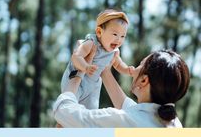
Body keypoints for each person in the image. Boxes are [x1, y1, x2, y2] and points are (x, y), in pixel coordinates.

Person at [53, 49, 190, 127]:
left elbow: (65, 113)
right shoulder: (173, 123)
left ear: (143, 80)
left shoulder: (125, 121)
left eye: (140, 64)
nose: (135, 68)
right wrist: (104, 69)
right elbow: (128, 107)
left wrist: (77, 72)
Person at [60, 9, 134, 110]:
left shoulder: (114, 51)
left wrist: (127, 70)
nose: (119, 39)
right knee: (68, 109)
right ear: (99, 32)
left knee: (89, 113)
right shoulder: (91, 43)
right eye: (115, 34)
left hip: (93, 86)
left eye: (123, 36)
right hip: (77, 80)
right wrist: (85, 67)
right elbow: (76, 56)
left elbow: (118, 64)